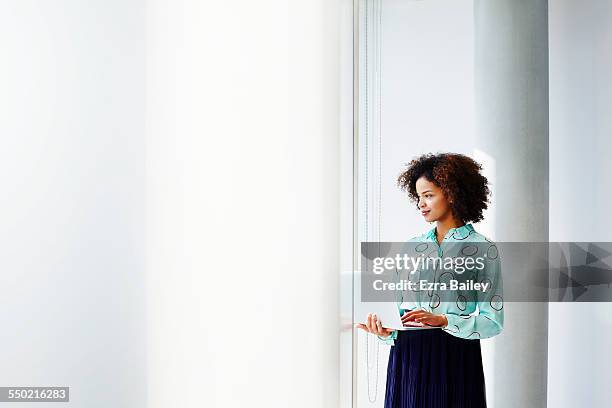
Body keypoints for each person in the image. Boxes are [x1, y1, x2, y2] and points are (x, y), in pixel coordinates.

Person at [355, 152, 504, 408]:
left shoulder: (483, 248)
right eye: (419, 197)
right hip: (407, 355)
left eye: (428, 195)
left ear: (452, 193)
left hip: (455, 356)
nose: (421, 204)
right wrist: (385, 331)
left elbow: (493, 321)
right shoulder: (411, 247)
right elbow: (398, 310)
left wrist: (445, 320)